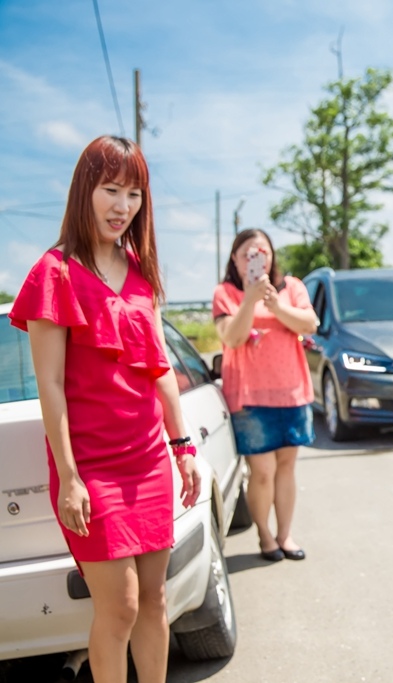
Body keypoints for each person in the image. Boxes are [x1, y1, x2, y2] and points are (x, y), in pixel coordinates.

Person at [10, 136, 201, 683]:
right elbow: (49, 383)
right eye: (111, 189)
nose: (123, 206)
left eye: (135, 193)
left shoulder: (142, 271)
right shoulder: (55, 271)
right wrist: (69, 476)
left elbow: (159, 364)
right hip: (92, 470)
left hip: (148, 460)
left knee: (156, 602)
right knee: (118, 608)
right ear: (84, 191)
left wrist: (181, 444)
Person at [213, 229, 318, 562]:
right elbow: (232, 337)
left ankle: (285, 535)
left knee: (286, 468)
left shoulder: (292, 287)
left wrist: (273, 303)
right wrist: (249, 299)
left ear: (271, 255)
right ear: (235, 258)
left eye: (261, 251)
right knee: (262, 472)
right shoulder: (225, 293)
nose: (255, 258)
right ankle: (265, 536)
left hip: (292, 392)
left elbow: (309, 324)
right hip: (249, 398)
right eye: (247, 253)